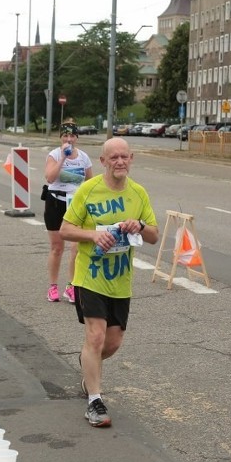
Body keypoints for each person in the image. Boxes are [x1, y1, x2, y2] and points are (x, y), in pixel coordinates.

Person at [59, 137, 158, 427]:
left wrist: (138, 225)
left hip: (120, 280)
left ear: (132, 158)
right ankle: (95, 401)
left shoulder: (138, 194)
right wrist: (92, 235)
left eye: (124, 157)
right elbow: (65, 229)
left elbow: (153, 235)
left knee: (112, 344)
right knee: (96, 337)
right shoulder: (89, 190)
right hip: (89, 276)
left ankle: (88, 368)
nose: (119, 162)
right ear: (102, 162)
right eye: (113, 157)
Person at [43, 120, 93, 303]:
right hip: (55, 202)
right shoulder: (54, 155)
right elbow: (49, 177)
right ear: (60, 137)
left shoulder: (84, 157)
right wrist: (64, 157)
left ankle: (71, 286)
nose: (69, 139)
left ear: (77, 138)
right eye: (66, 135)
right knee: (57, 247)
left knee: (76, 248)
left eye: (72, 135)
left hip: (75, 205)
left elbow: (90, 182)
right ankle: (52, 287)